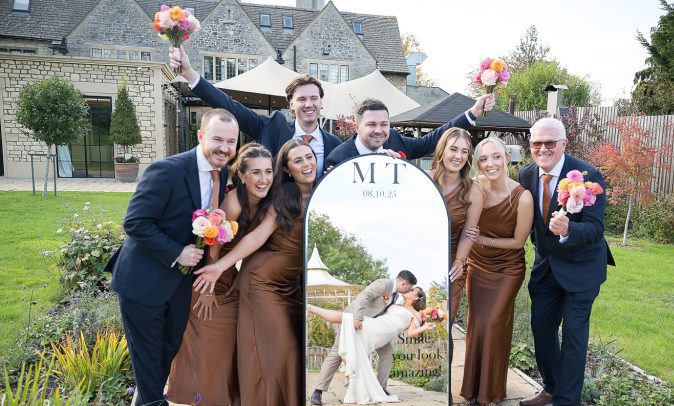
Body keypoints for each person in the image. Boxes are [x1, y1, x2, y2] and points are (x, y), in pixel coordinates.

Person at [106, 109, 238, 406]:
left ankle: (145, 403)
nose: (224, 147)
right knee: (148, 352)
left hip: (179, 282)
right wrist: (177, 252)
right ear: (200, 137)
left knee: (167, 346)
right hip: (144, 279)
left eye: (230, 141)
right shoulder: (166, 170)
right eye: (217, 139)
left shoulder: (219, 175)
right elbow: (135, 222)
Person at [194, 139, 316, 406]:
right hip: (262, 281)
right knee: (283, 346)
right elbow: (256, 238)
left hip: (292, 285)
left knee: (291, 348)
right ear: (286, 169)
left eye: (309, 157)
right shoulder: (282, 198)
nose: (306, 164)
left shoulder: (325, 192)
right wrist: (220, 266)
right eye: (297, 160)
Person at [518, 117, 615, 406]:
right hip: (546, 268)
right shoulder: (527, 173)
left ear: (563, 144)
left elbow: (596, 229)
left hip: (581, 270)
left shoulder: (587, 176)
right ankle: (551, 386)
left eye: (549, 143)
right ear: (530, 145)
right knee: (542, 331)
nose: (542, 149)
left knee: (574, 338)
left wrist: (570, 229)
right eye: (536, 143)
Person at [166, 143, 274, 406]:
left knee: (232, 340)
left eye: (269, 172)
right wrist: (209, 289)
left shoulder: (267, 198)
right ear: (241, 175)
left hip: (233, 274)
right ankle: (212, 399)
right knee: (212, 337)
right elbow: (214, 244)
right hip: (211, 274)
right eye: (256, 173)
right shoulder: (234, 203)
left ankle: (228, 392)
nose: (263, 179)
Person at [169, 47, 342, 176]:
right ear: (291, 104)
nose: (308, 104)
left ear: (321, 102)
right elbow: (230, 106)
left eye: (313, 98)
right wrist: (189, 74)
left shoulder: (335, 145)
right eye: (301, 99)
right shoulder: (271, 127)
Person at [460, 137, 533, 406]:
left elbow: (517, 242)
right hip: (477, 266)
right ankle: (471, 388)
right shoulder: (474, 188)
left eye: (495, 157)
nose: (490, 163)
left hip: (507, 269)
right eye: (483, 159)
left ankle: (491, 390)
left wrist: (483, 241)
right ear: (477, 164)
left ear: (507, 158)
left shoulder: (522, 196)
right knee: (477, 323)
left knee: (493, 322)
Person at [308, 287, 434, 405]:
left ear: (416, 298)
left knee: (346, 318)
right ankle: (322, 389)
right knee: (347, 330)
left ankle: (311, 308)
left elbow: (411, 333)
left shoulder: (417, 314)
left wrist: (423, 327)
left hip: (384, 330)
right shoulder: (395, 302)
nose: (409, 289)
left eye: (412, 289)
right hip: (377, 324)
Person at [323, 95, 494, 172]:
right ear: (357, 126)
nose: (379, 130)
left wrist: (472, 113)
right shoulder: (338, 159)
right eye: (371, 124)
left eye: (384, 124)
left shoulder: (395, 139)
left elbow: (431, 140)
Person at [426, 127, 483, 322]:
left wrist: (460, 260)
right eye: (453, 149)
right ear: (442, 150)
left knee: (441, 324)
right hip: (420, 257)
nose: (458, 156)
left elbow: (469, 232)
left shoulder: (473, 191)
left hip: (451, 264)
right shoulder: (423, 179)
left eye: (464, 151)